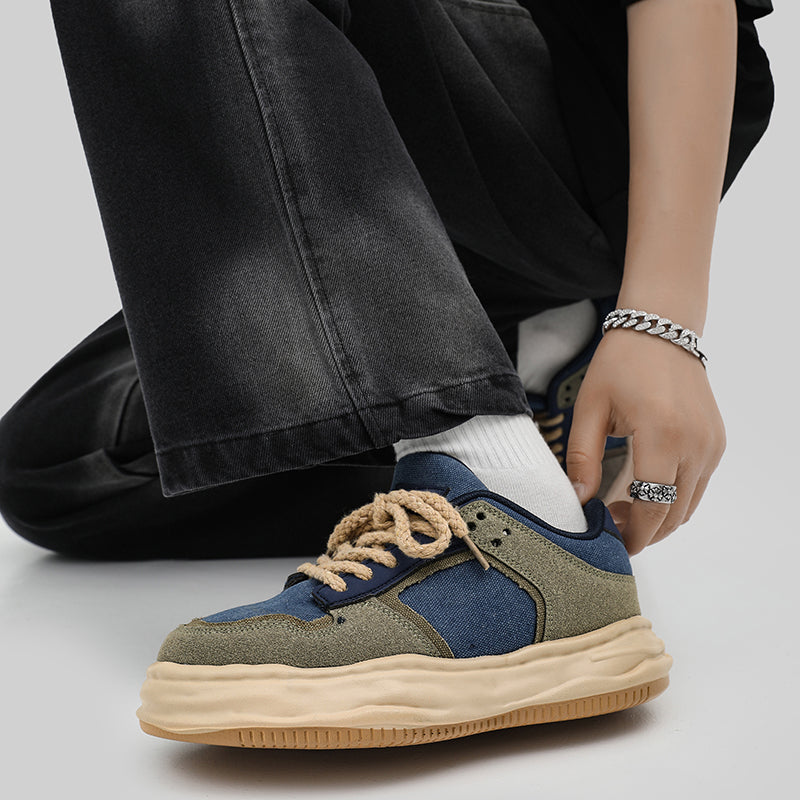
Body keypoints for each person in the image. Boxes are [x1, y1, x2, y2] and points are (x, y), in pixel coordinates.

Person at [0, 0, 774, 748]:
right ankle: (521, 379)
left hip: (580, 125)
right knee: (63, 465)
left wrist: (659, 324)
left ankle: (506, 501)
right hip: (388, 175)